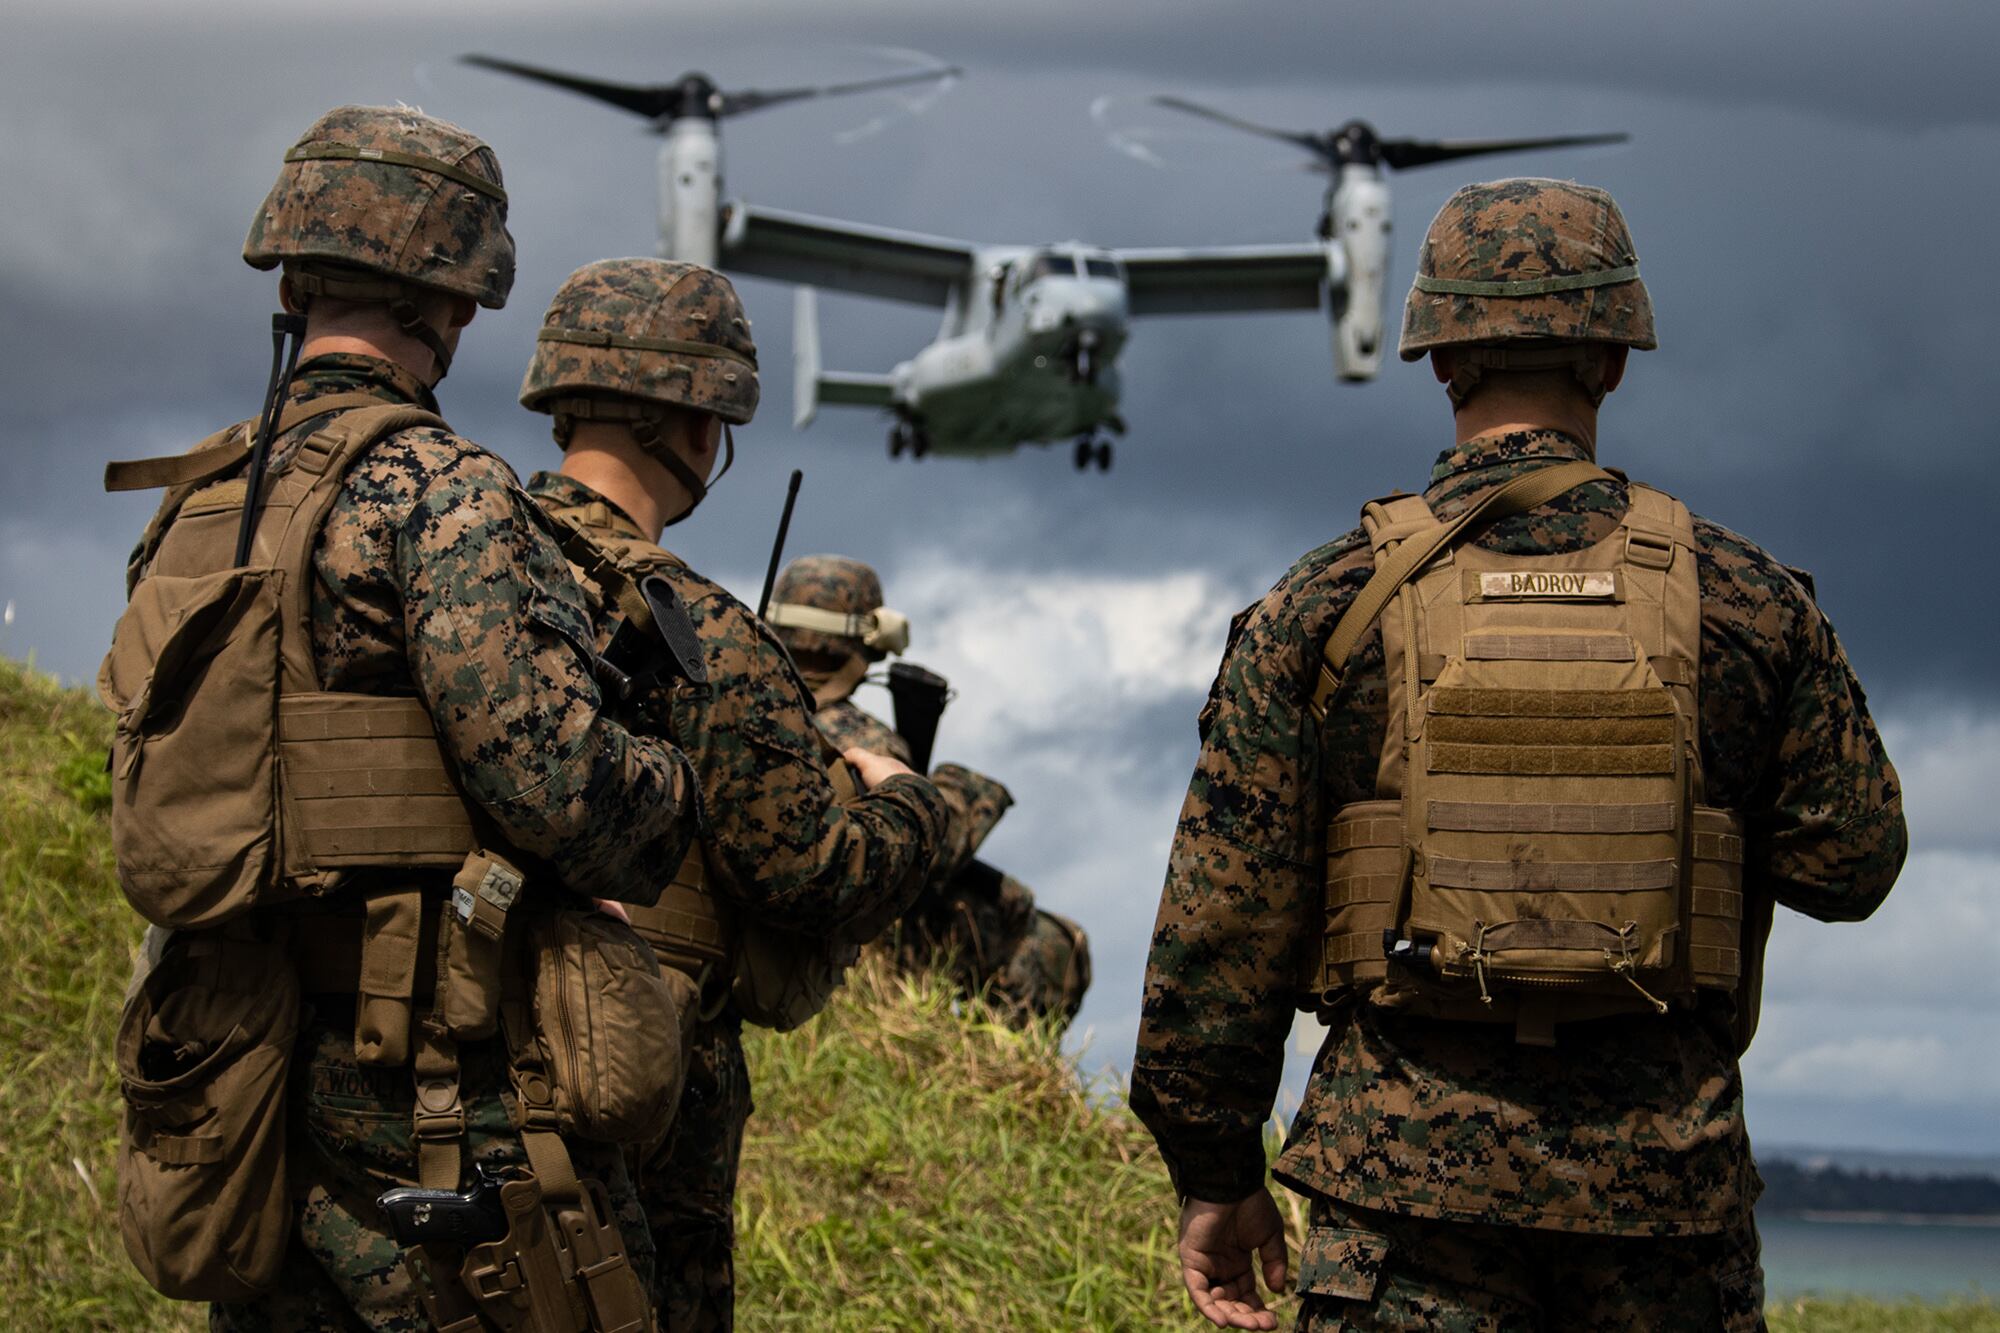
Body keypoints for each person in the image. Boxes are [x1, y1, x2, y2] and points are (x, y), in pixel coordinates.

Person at [1130, 178, 1907, 1332]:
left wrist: (1214, 1172)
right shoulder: (1742, 603)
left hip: (1397, 1206)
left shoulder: (1326, 604)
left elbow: (1217, 930)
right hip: (1665, 1206)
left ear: (1439, 360)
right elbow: (1850, 863)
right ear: (1612, 358)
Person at [103, 106, 698, 1331]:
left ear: (298, 271)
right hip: (431, 1080)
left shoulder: (203, 499)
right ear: (459, 298)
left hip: (240, 1064)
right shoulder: (441, 490)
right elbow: (558, 792)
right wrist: (664, 785)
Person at [517, 257, 963, 1331]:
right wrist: (916, 804)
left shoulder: (460, 555)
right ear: (701, 424)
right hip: (629, 1089)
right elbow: (808, 874)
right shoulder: (699, 628)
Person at [766, 555, 1092, 1029]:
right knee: (1042, 931)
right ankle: (989, 1067)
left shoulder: (741, 709)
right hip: (841, 951)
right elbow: (928, 848)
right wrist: (957, 787)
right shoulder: (869, 742)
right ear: (870, 642)